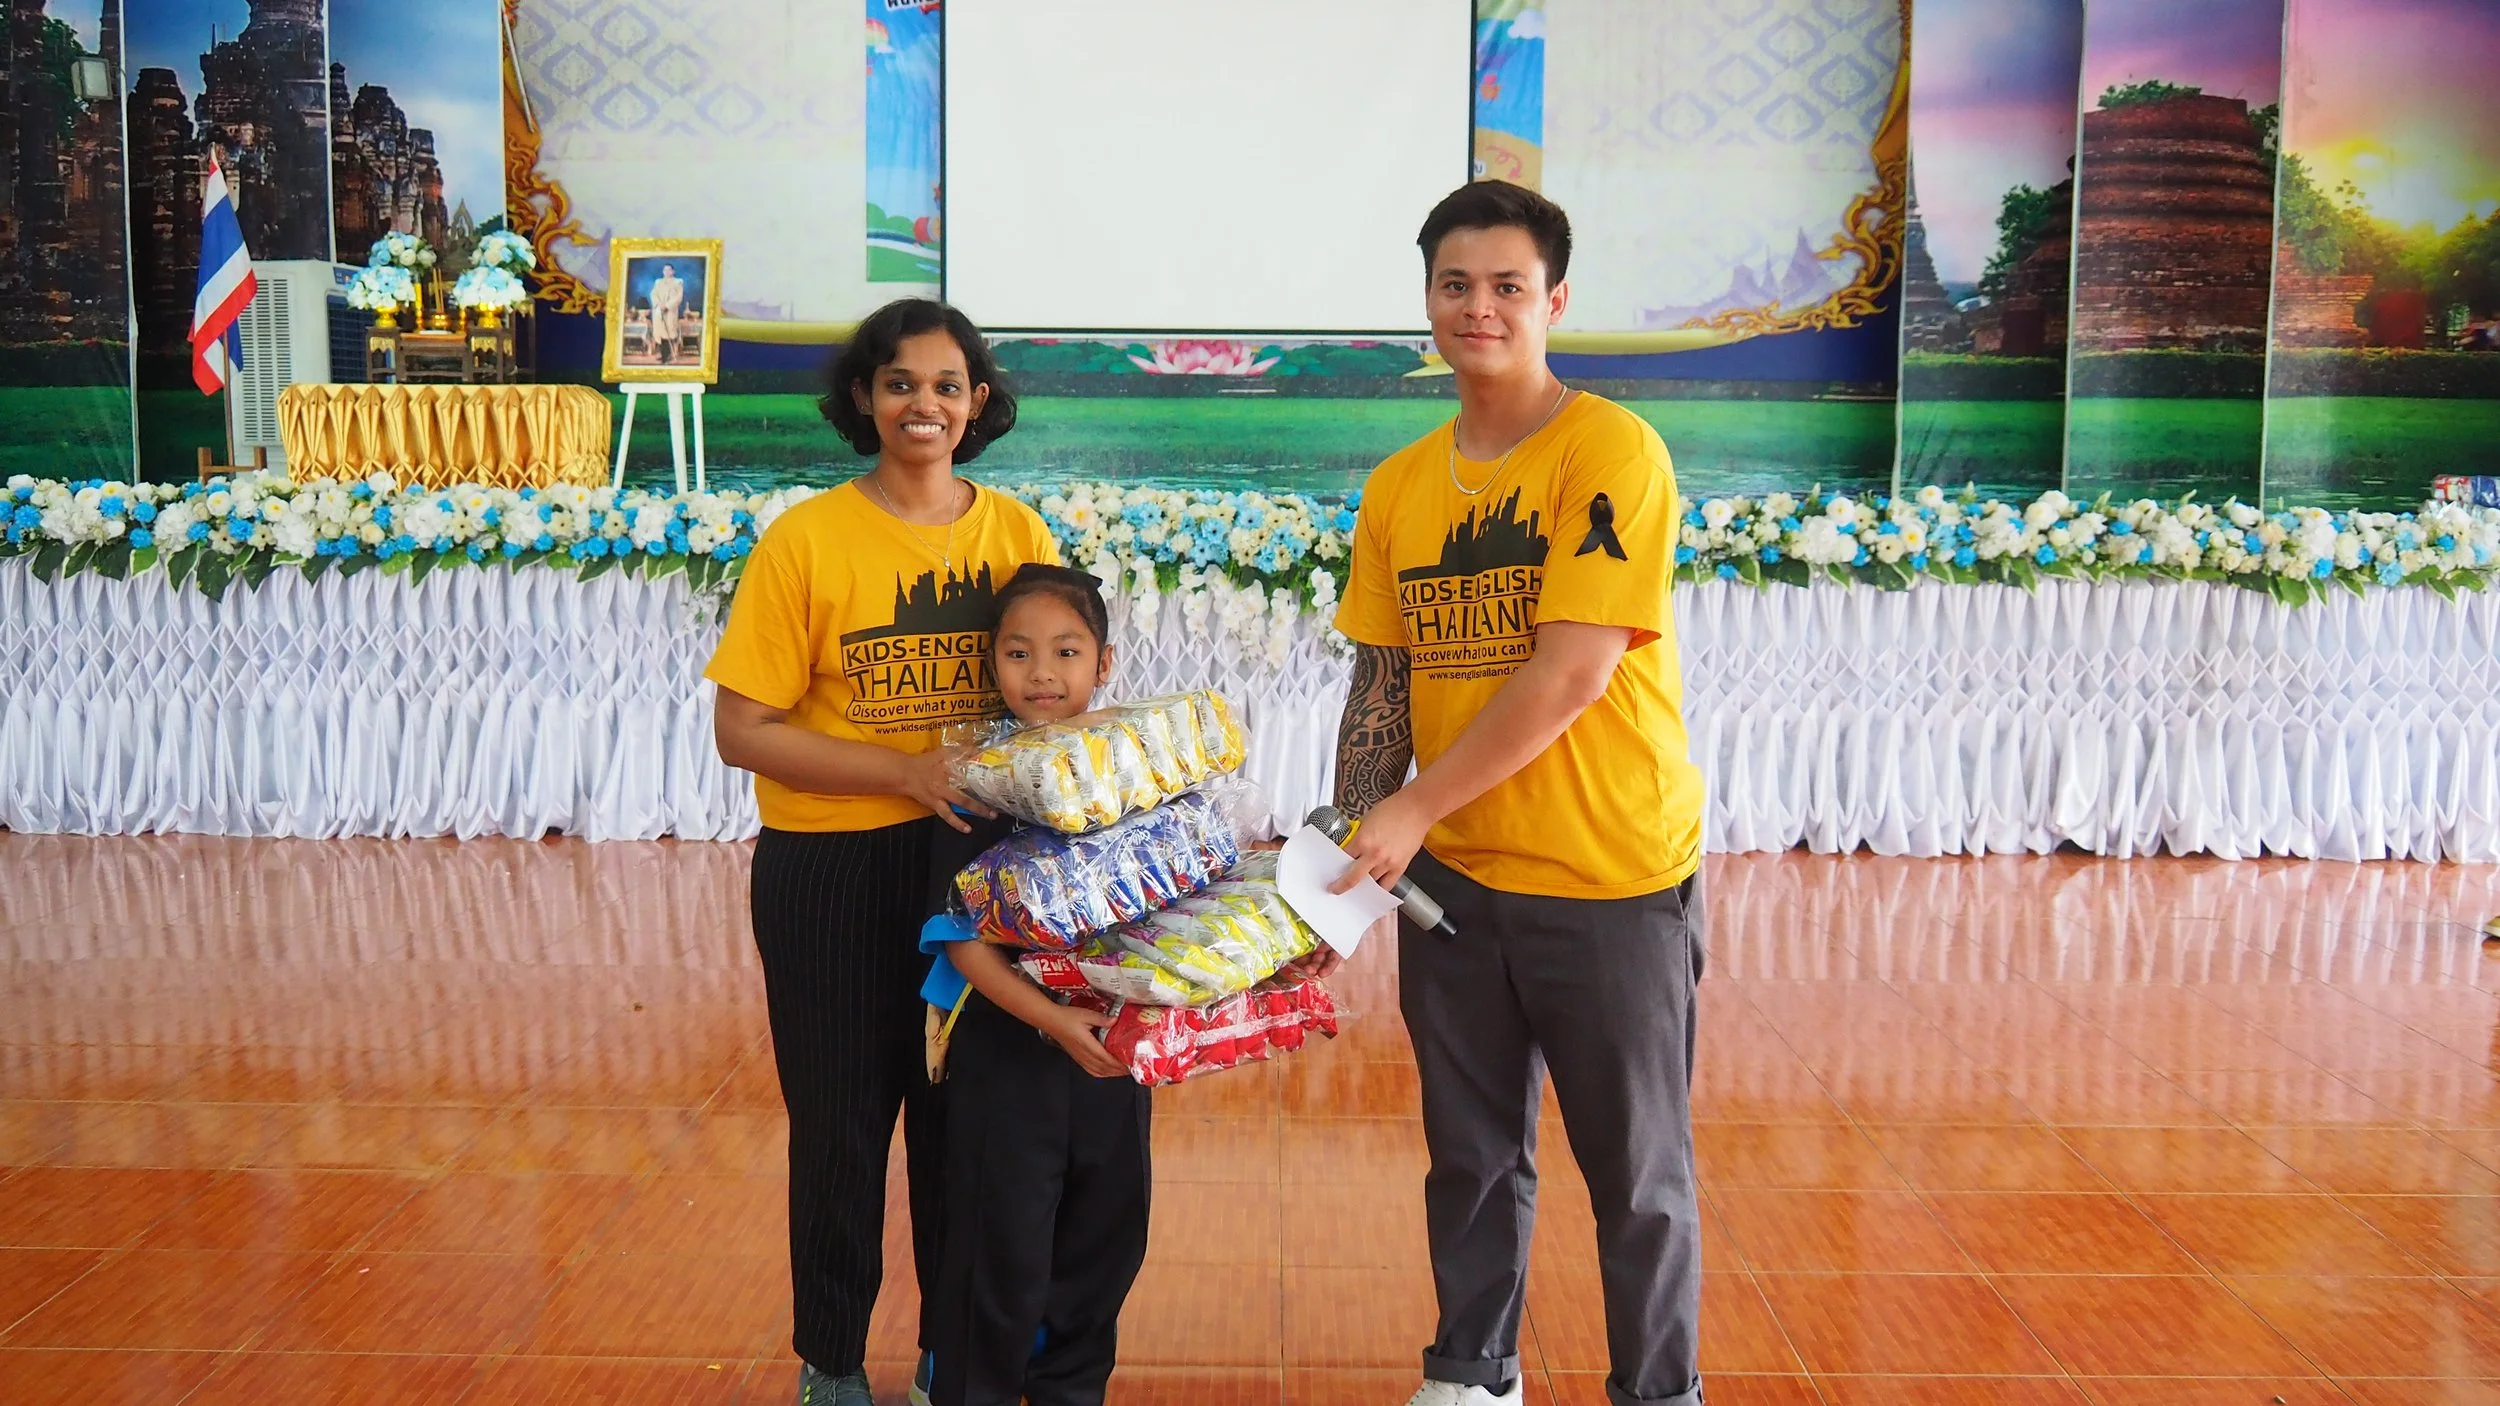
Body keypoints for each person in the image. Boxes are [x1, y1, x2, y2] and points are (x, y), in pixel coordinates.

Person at [1326, 180, 1710, 1406]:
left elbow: (1576, 668)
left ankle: (1657, 1387)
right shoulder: (1399, 486)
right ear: (1427, 301)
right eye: (1455, 285)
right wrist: (1343, 835)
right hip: (1454, 889)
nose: (1478, 308)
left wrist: (1412, 809)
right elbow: (1382, 677)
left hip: (1609, 876)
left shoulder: (1606, 450)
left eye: (1506, 287)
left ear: (1555, 300)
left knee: (1635, 1170)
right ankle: (1472, 1371)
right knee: (1472, 1154)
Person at [706, 298, 1059, 1406]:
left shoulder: (1015, 533)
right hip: (832, 871)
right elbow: (743, 729)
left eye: (948, 384)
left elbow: (1058, 693)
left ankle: (952, 1357)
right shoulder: (806, 539)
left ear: (979, 403)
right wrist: (902, 772)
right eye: (900, 382)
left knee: (967, 1125)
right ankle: (833, 1362)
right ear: (863, 397)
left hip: (975, 870)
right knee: (843, 1125)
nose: (925, 404)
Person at [917, 564, 1152, 1406]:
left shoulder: (1138, 780)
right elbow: (964, 947)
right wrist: (1054, 1021)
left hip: (1111, 1063)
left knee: (1104, 1243)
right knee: (997, 1251)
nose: (1042, 673)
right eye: (1019, 653)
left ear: (1105, 663)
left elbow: (1181, 912)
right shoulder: (975, 787)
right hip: (1007, 1061)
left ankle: (1070, 1392)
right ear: (993, 662)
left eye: (1065, 651)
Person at [650, 262, 686, 363]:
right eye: (665, 270)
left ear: (673, 271)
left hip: (670, 312)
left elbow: (678, 297)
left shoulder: (677, 283)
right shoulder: (658, 282)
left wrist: (667, 306)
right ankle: (663, 354)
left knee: (668, 332)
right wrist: (658, 304)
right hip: (659, 311)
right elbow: (653, 294)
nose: (667, 272)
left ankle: (667, 355)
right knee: (660, 333)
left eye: (669, 270)